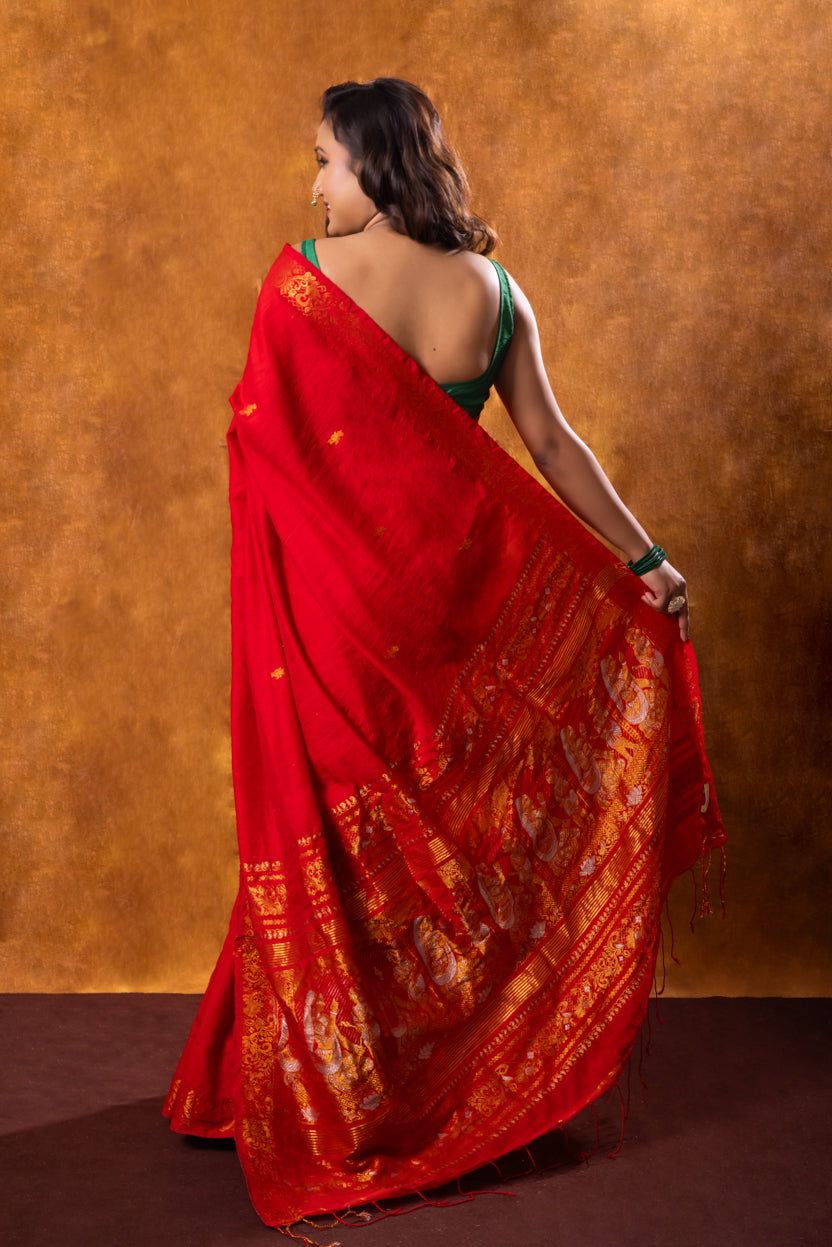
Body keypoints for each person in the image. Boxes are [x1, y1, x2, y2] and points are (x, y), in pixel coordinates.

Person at [164, 78, 725, 1240]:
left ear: (371, 167)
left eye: (323, 160)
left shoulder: (303, 282)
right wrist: (644, 563)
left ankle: (341, 1096)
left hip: (331, 626)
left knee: (336, 848)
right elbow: (554, 445)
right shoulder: (494, 291)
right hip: (454, 627)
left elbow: (266, 445)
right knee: (441, 852)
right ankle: (449, 1075)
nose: (314, 183)